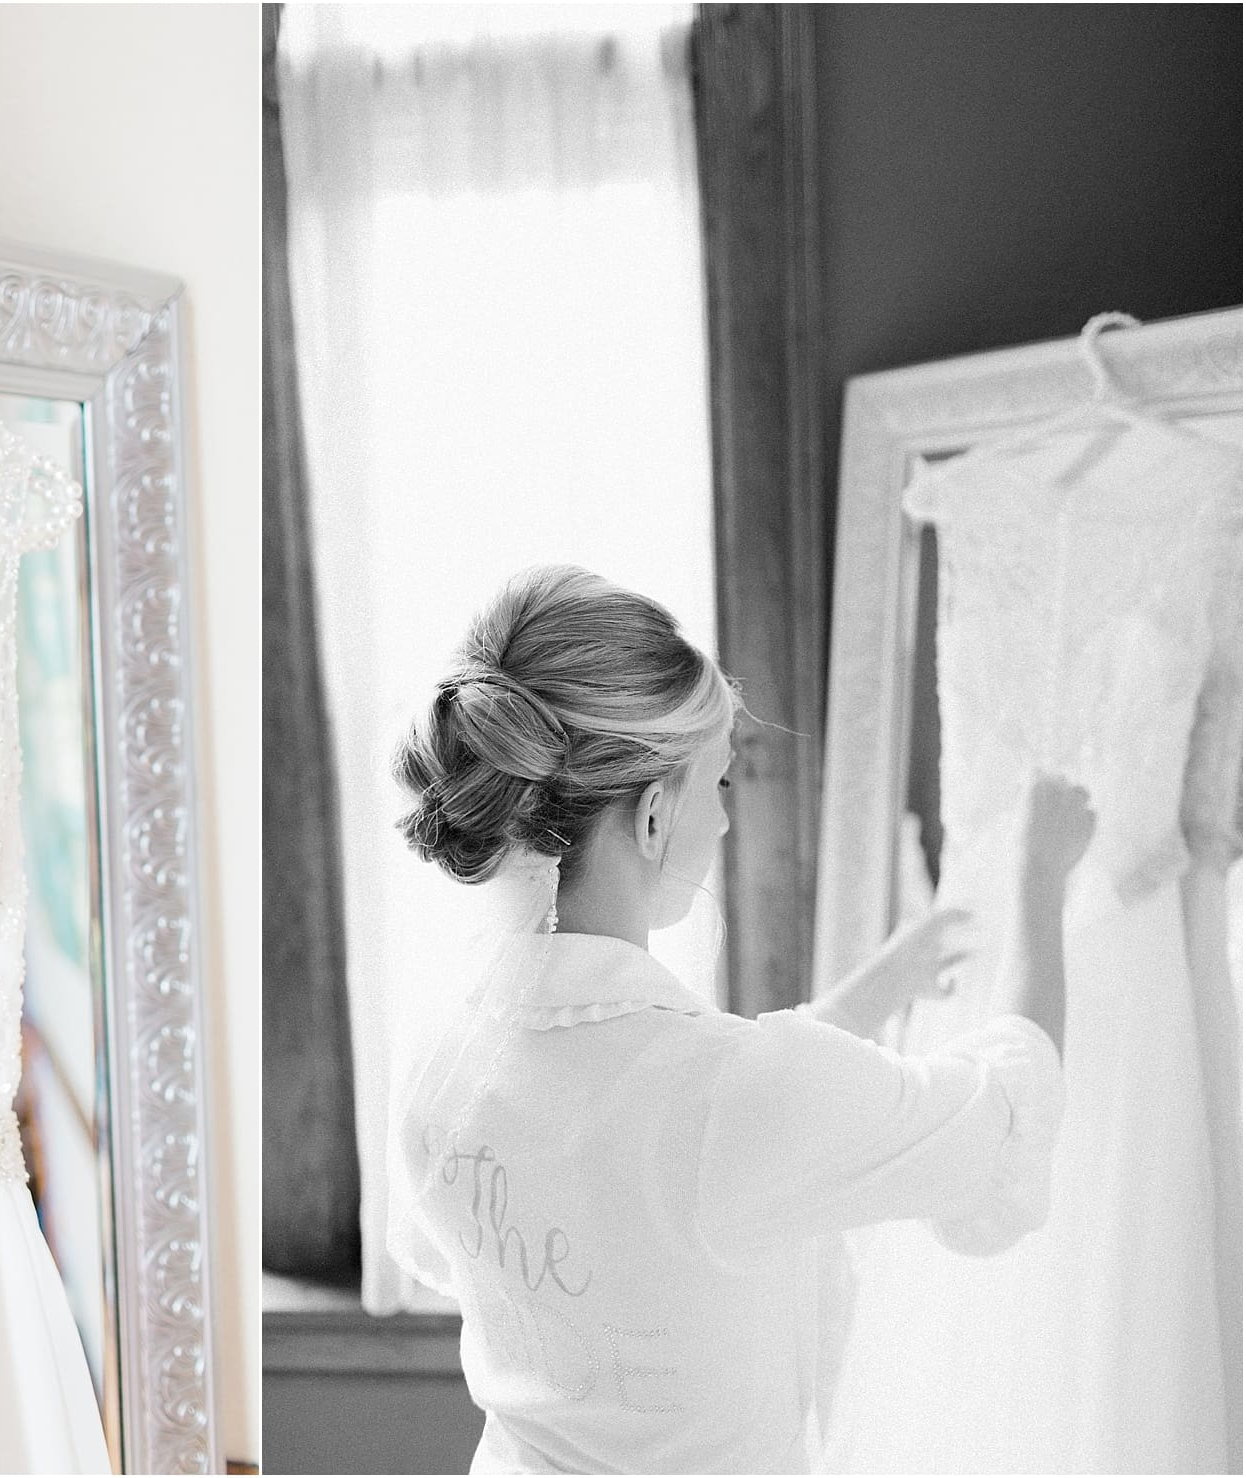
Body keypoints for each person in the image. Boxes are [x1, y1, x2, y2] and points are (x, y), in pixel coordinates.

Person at [387, 563, 1094, 1474]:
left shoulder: (439, 1048)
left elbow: (679, 1130)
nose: (723, 822)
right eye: (719, 783)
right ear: (652, 818)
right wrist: (1038, 882)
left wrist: (874, 990)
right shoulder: (731, 1098)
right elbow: (1006, 1119)